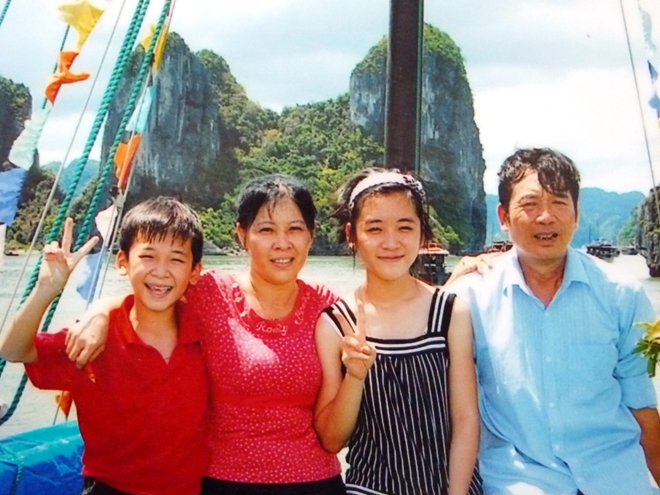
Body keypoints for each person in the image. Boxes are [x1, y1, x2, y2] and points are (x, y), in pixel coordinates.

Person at [65, 173, 487, 495]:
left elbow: (397, 312)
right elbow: (155, 292)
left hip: (314, 482)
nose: (282, 243)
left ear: (311, 236)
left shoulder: (329, 310)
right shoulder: (210, 294)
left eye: (295, 229)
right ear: (242, 235)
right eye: (266, 230)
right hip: (222, 481)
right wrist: (104, 310)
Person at [450, 148, 660, 495]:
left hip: (617, 477)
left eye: (559, 203)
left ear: (576, 214)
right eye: (530, 204)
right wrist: (446, 289)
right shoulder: (468, 300)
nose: (546, 217)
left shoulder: (621, 294)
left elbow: (641, 403)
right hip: (519, 481)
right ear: (503, 216)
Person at [0, 197, 209, 495]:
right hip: (110, 488)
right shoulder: (94, 339)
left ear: (195, 271)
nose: (161, 271)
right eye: (148, 256)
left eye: (176, 259)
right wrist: (46, 290)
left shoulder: (206, 331)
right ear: (122, 262)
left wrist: (103, 306)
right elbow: (12, 350)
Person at [313, 168, 483, 495]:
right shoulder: (336, 324)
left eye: (405, 227)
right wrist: (355, 376)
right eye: (374, 228)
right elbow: (332, 440)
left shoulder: (450, 312)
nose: (391, 242)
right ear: (352, 235)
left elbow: (466, 420)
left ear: (422, 233)